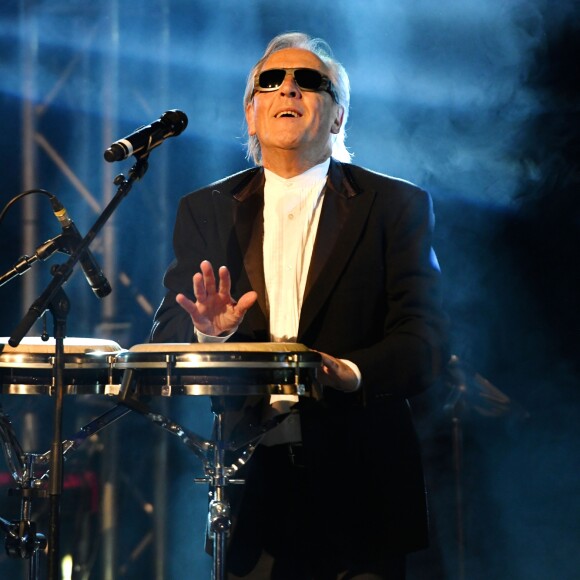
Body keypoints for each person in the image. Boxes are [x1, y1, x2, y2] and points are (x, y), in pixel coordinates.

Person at [151, 32, 448, 580]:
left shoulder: (395, 205)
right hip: (251, 488)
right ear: (252, 113)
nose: (288, 88)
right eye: (271, 81)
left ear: (337, 118)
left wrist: (351, 373)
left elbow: (424, 341)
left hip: (364, 487)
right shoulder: (206, 209)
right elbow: (168, 330)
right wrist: (210, 334)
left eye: (310, 81)